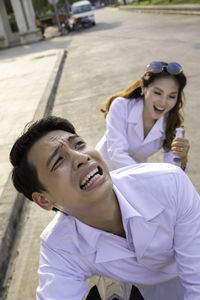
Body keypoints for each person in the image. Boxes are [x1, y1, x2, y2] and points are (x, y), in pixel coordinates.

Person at [9, 116, 200, 300]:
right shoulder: (59, 246)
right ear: (44, 200)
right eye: (59, 161)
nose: (81, 158)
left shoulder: (168, 184)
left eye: (79, 144)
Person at [96, 61, 190, 171]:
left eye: (171, 96)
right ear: (143, 87)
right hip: (100, 169)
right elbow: (116, 153)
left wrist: (181, 158)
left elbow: (173, 171)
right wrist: (147, 178)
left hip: (134, 179)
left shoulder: (173, 124)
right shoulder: (121, 106)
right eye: (157, 93)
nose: (163, 103)